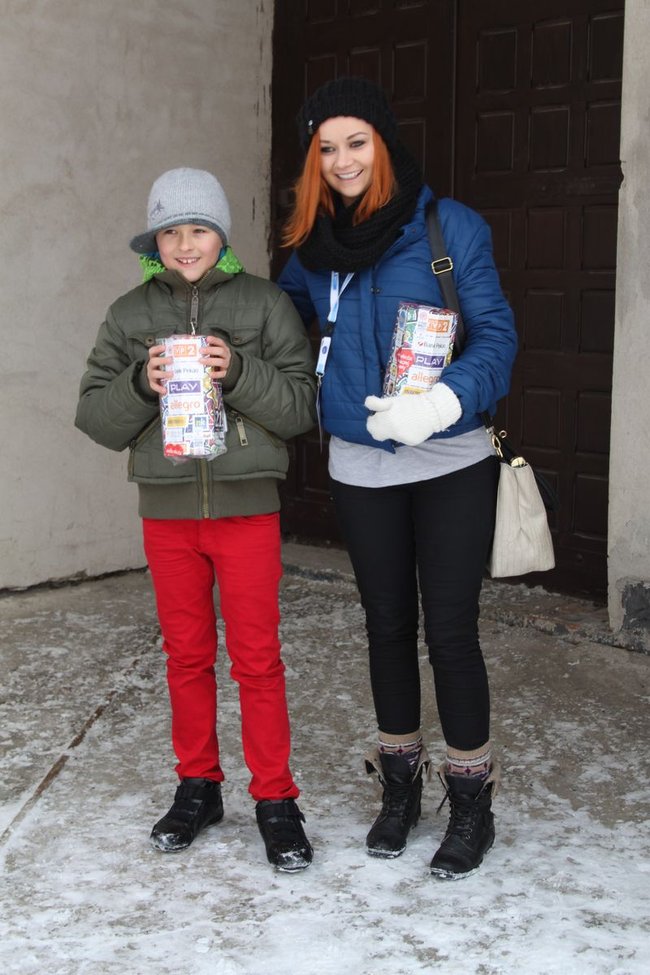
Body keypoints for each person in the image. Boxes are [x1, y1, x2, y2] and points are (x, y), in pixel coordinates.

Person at [278, 78, 517, 879]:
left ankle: (472, 800)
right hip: (360, 465)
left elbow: (497, 338)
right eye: (326, 147)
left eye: (357, 141)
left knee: (449, 629)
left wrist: (445, 399)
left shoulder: (450, 228)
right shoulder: (311, 246)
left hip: (450, 458)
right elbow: (272, 324)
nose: (343, 159)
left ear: (383, 142)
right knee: (385, 625)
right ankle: (400, 788)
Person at [75, 167, 317, 872]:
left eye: (199, 229)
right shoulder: (128, 314)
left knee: (258, 660)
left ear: (222, 235)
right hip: (169, 513)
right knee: (185, 656)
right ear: (154, 240)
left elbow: (301, 406)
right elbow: (93, 414)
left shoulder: (265, 304)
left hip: (246, 513)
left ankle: (276, 798)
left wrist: (238, 370)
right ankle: (197, 786)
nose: (186, 244)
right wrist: (138, 383)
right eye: (171, 231)